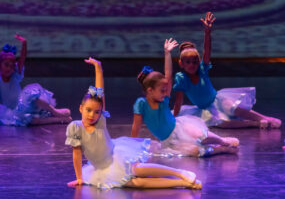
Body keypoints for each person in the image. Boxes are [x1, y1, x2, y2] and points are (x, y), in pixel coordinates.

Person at [66, 57, 201, 189]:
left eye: (96, 111)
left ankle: (181, 173)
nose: (92, 115)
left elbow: (100, 92)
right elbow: (76, 154)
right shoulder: (75, 128)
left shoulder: (100, 121)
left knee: (137, 170)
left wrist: (98, 68)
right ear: (81, 108)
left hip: (115, 157)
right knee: (136, 183)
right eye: (88, 110)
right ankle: (185, 183)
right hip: (102, 169)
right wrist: (79, 178)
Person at [131, 38, 239, 157]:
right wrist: (132, 144)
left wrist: (167, 54)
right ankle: (220, 149)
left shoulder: (163, 100)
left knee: (200, 134)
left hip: (179, 127)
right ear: (150, 91)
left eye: (165, 89)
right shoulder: (141, 104)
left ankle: (222, 141)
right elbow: (136, 125)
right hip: (169, 141)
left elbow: (168, 76)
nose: (165, 92)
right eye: (162, 90)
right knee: (196, 151)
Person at [173, 12, 281, 129]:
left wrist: (207, 33)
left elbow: (207, 51)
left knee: (233, 108)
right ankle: (254, 124)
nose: (192, 65)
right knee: (221, 123)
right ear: (181, 64)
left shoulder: (202, 70)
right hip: (204, 108)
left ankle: (265, 118)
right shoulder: (181, 78)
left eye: (194, 62)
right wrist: (174, 116)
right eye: (188, 62)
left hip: (217, 100)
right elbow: (179, 100)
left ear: (199, 62)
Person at [0, 34, 71, 125]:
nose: (9, 68)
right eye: (6, 65)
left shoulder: (15, 76)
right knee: (26, 120)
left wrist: (24, 44)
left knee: (32, 93)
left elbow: (22, 60)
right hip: (14, 112)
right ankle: (57, 119)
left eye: (12, 66)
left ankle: (55, 112)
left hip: (24, 103)